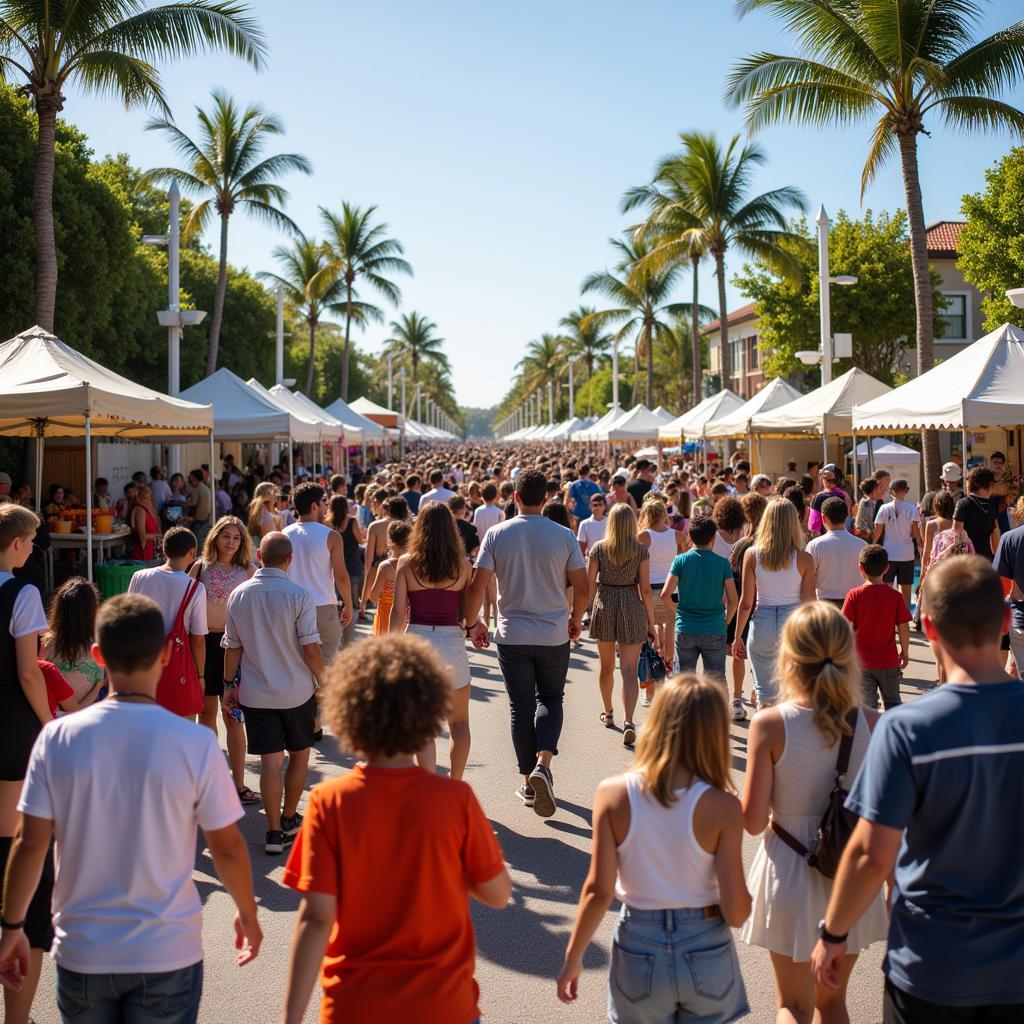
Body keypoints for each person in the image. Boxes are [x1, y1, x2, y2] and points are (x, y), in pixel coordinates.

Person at [0, 593, 261, 1023]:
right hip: (167, 951)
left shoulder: (58, 738)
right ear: (163, 653)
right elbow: (229, 847)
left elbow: (30, 844)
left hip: (84, 951)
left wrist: (12, 928)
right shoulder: (195, 743)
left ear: (99, 655)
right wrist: (247, 913)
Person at [811, 557, 1024, 1022]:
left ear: (928, 627)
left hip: (932, 966)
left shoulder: (906, 729)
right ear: (1006, 620)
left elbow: (871, 854)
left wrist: (833, 933)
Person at [278, 635, 510, 1024]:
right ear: (429, 714)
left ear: (349, 714)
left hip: (355, 1005)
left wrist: (290, 1017)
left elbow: (316, 917)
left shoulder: (329, 802)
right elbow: (498, 893)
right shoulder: (455, 799)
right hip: (443, 1004)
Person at [556, 674, 751, 1023]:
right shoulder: (722, 806)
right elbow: (736, 912)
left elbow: (598, 891)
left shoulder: (613, 794)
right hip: (705, 942)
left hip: (638, 941)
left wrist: (574, 956)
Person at [741, 601, 886, 1022]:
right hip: (851, 876)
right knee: (832, 1003)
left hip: (787, 868)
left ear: (788, 658)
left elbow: (751, 823)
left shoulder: (770, 725)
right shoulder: (875, 725)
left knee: (793, 1004)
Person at [464, 469, 589, 818]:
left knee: (521, 707)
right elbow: (582, 588)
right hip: (552, 632)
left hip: (512, 632)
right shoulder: (564, 535)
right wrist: (576, 618)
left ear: (515, 498)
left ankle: (528, 781)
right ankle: (543, 765)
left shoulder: (496, 535)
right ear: (546, 498)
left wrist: (473, 623)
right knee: (551, 698)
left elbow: (478, 585)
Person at [223, 532, 324, 855]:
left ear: (259, 558)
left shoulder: (238, 595)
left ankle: (274, 832)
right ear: (289, 559)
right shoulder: (300, 595)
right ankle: (290, 815)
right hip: (296, 690)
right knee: (299, 755)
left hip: (256, 691)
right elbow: (310, 648)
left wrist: (228, 685)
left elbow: (232, 649)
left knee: (269, 763)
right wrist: (326, 681)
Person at [0, 505, 51, 1024]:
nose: (34, 548)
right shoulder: (23, 592)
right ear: (16, 544)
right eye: (32, 541)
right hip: (11, 725)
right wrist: (50, 722)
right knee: (12, 841)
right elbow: (29, 671)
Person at [391, 503, 474, 779]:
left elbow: (399, 611)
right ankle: (455, 783)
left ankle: (428, 787)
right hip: (451, 640)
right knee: (459, 722)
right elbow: (465, 610)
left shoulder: (406, 562)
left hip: (417, 640)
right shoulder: (462, 566)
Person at [189, 516, 258, 804]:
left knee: (232, 717)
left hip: (234, 648)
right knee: (205, 715)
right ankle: (207, 783)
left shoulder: (250, 571)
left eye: (236, 537)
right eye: (226, 536)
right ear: (215, 537)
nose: (231, 542)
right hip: (202, 645)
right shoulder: (199, 567)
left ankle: (238, 784)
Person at [733, 498, 816, 709]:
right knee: (793, 692)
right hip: (793, 623)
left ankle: (765, 735)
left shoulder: (752, 555)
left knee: (764, 694)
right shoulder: (804, 558)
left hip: (763, 621)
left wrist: (737, 637)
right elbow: (809, 601)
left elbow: (745, 603)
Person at [586, 504, 657, 747]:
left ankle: (609, 713)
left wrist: (581, 613)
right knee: (628, 670)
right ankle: (629, 721)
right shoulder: (641, 550)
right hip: (631, 603)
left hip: (605, 603)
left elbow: (588, 585)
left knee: (606, 667)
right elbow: (646, 589)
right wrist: (651, 623)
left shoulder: (599, 549)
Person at [127, 527, 207, 717]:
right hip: (178, 669)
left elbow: (128, 622)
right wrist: (200, 675)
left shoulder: (140, 577)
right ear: (192, 553)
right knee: (182, 728)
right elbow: (198, 640)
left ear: (164, 550)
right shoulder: (195, 588)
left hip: (143, 664)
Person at [284, 482, 353, 670]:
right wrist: (348, 603)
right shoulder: (331, 536)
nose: (326, 506)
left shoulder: (283, 535)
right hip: (323, 606)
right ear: (314, 506)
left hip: (293, 606)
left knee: (297, 662)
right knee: (328, 662)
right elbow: (341, 576)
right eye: (324, 502)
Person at [660, 512, 737, 682]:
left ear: (691, 537)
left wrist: (678, 610)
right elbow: (733, 600)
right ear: (713, 539)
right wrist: (727, 620)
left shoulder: (680, 560)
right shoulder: (723, 563)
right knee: (716, 679)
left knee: (683, 681)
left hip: (686, 626)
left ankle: (683, 709)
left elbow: (665, 595)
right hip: (714, 626)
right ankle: (717, 709)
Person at [842, 544, 911, 710]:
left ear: (861, 568)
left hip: (862, 663)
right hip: (888, 661)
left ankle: (870, 735)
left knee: (867, 708)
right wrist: (905, 651)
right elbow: (903, 627)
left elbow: (844, 628)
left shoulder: (854, 595)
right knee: (893, 704)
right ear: (887, 568)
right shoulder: (895, 596)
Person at [638, 497, 686, 688]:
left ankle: (651, 671)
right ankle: (669, 663)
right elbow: (682, 557)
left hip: (649, 589)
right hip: (671, 589)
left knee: (650, 629)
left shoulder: (643, 536)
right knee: (670, 626)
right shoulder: (677, 536)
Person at [41, 577, 105, 706]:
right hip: (91, 710)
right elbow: (99, 685)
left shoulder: (47, 642)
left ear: (59, 610)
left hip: (56, 712)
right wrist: (77, 710)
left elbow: (41, 678)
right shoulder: (98, 644)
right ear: (92, 611)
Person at [808, 496, 866, 606]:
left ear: (823, 518)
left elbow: (809, 579)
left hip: (825, 604)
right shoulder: (862, 545)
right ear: (847, 516)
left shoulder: (815, 545)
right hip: (855, 602)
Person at [873, 479, 922, 610]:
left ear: (891, 491)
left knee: (887, 588)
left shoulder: (884, 508)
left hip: (889, 554)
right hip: (907, 554)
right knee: (905, 589)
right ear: (906, 491)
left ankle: (888, 616)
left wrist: (873, 544)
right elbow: (915, 531)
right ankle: (904, 620)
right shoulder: (912, 509)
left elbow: (878, 530)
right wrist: (920, 544)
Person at [325, 495, 365, 648]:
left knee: (336, 603)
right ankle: (346, 642)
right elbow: (360, 541)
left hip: (334, 567)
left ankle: (336, 640)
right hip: (353, 567)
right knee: (350, 605)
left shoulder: (327, 523)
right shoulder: (352, 521)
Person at [359, 496, 409, 616]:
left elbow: (369, 556)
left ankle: (362, 608)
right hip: (403, 566)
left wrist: (367, 572)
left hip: (378, 566)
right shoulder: (408, 527)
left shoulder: (376, 526)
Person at [367, 520, 411, 637]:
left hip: (387, 614)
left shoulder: (386, 566)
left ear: (389, 541)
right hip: (408, 615)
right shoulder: (414, 564)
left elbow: (373, 596)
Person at [954, 467, 1000, 559]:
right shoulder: (992, 505)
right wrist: (997, 558)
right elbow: (995, 532)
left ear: (972, 483)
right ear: (989, 485)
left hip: (967, 559)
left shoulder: (963, 503)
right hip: (987, 559)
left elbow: (956, 534)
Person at [808, 464, 850, 536]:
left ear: (823, 479)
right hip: (843, 534)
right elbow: (848, 516)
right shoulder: (845, 495)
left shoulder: (819, 497)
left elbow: (814, 525)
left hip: (823, 536)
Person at [129, 484, 160, 561]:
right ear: (145, 496)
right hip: (142, 555)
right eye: (150, 495)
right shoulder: (140, 510)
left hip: (150, 552)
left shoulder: (149, 510)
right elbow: (142, 536)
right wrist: (158, 536)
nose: (152, 498)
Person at [184, 468, 213, 548]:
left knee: (196, 545)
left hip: (198, 521)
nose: (189, 480)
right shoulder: (206, 488)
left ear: (194, 478)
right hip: (206, 520)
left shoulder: (196, 490)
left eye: (190, 478)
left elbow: (193, 503)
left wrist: (186, 504)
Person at [448, 493, 481, 559]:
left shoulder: (442, 527)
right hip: (463, 567)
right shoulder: (471, 529)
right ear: (464, 508)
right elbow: (474, 553)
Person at [576, 491, 608, 557]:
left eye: (600, 504)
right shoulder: (584, 524)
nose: (598, 507)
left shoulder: (611, 522)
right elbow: (581, 549)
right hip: (592, 560)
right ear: (590, 506)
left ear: (605, 506)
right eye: (595, 505)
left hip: (608, 560)